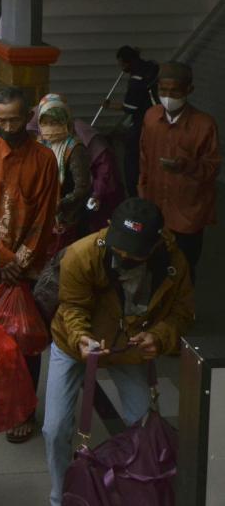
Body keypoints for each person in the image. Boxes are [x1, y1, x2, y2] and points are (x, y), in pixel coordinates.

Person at [43, 198, 194, 506]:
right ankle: (60, 496)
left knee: (144, 425)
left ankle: (135, 488)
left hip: (127, 345)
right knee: (55, 428)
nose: (122, 257)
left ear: (153, 246)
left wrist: (159, 337)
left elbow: (182, 313)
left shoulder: (173, 263)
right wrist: (81, 338)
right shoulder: (83, 253)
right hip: (73, 342)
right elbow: (72, 306)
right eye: (118, 250)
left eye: (132, 255)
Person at [0, 87, 59, 443]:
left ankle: (24, 411)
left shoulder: (44, 159)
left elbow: (44, 218)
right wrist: (2, 257)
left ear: (28, 119)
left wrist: (18, 263)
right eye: (0, 120)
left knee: (25, 340)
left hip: (28, 268)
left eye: (14, 119)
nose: (7, 126)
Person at [138, 61, 221, 279]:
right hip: (155, 208)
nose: (167, 96)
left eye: (174, 91)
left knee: (183, 269)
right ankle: (157, 311)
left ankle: (184, 313)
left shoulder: (204, 125)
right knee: (154, 266)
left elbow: (212, 169)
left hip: (188, 213)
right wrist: (143, 196)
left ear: (189, 90)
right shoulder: (151, 118)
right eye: (162, 90)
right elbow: (144, 160)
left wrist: (186, 165)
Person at [36, 94, 92, 254]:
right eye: (45, 123)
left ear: (66, 121)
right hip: (41, 213)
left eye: (54, 122)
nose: (49, 128)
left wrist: (60, 204)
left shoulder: (74, 149)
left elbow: (82, 187)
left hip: (68, 217)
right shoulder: (40, 143)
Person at [104, 46, 159, 196]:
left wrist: (109, 106)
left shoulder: (136, 80)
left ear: (128, 62)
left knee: (131, 159)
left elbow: (130, 107)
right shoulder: (151, 68)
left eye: (122, 64)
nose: (121, 68)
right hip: (158, 117)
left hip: (142, 121)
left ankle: (133, 192)